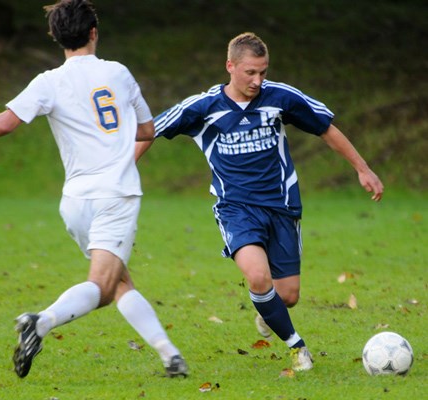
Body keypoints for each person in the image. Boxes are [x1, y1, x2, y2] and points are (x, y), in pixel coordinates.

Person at [0, 0, 187, 379]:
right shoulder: (118, 73)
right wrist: (118, 153)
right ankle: (41, 321)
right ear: (94, 33)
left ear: (56, 38)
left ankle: (171, 358)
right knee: (101, 287)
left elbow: (6, 122)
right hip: (114, 197)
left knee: (118, 281)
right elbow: (147, 131)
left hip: (74, 202)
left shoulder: (48, 82)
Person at [135, 32, 383, 371]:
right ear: (230, 66)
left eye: (263, 72)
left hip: (282, 206)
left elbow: (326, 127)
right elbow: (149, 131)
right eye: (250, 72)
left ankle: (269, 312)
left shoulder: (280, 98)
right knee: (257, 277)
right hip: (235, 208)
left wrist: (363, 169)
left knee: (289, 296)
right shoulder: (203, 107)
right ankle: (298, 348)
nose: (257, 80)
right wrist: (121, 171)